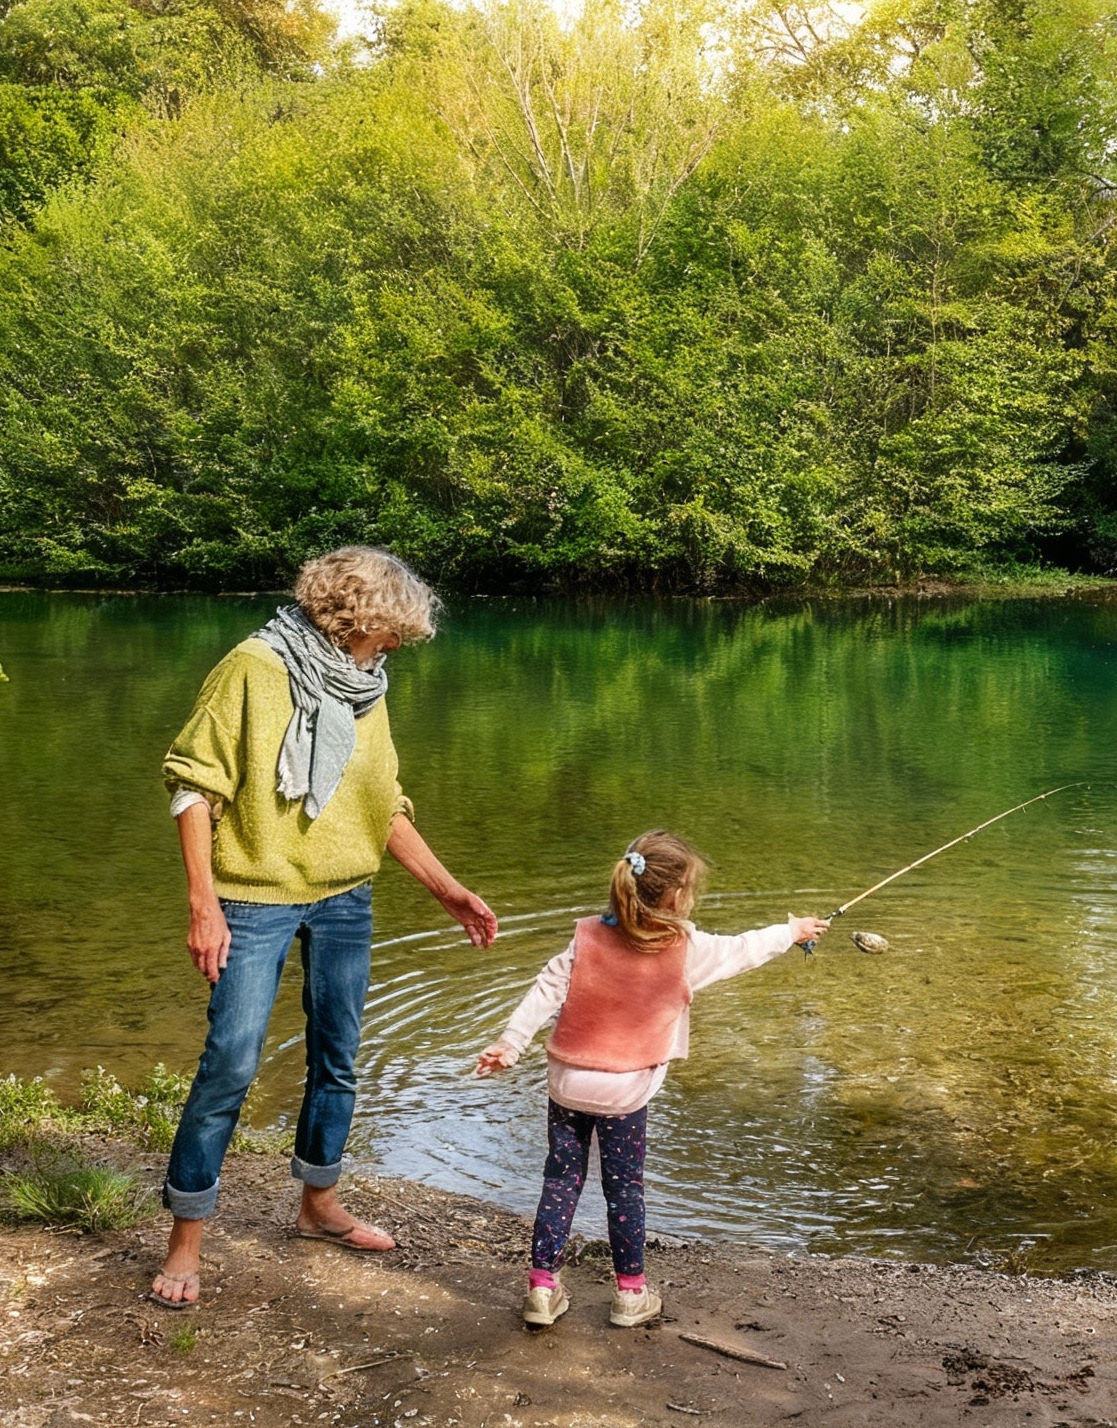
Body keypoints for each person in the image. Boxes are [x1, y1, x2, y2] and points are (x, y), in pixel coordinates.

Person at [151, 546, 499, 1308]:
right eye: (391, 630)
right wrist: (203, 904)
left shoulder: (364, 685)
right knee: (231, 1064)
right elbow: (191, 787)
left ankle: (317, 1205)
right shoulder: (253, 668)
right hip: (253, 898)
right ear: (354, 616)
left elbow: (382, 805)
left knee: (337, 1057)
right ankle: (185, 1242)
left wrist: (447, 889)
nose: (398, 646)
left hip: (347, 898)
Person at [474, 831, 826, 1328]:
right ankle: (630, 1295)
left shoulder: (586, 936)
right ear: (677, 897)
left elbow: (545, 988)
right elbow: (744, 950)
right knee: (624, 1190)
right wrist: (793, 931)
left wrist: (510, 1044)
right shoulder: (686, 949)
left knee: (560, 1180)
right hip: (624, 1090)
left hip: (567, 1082)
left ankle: (541, 1289)